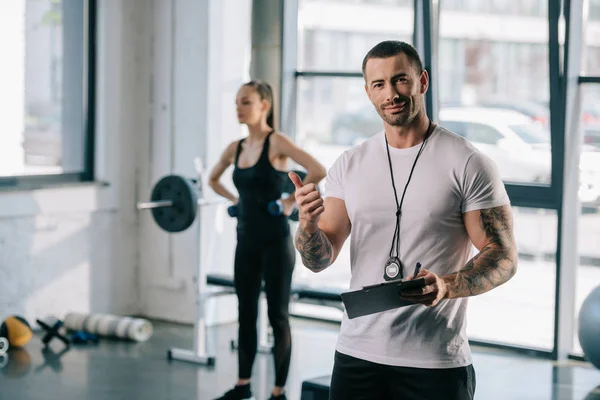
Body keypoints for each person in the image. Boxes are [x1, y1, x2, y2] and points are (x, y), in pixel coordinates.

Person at [288, 41, 519, 400]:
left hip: (435, 363)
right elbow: (319, 258)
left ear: (422, 81)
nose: (391, 93)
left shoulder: (467, 162)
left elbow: (503, 256)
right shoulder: (350, 164)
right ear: (368, 92)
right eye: (379, 84)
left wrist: (446, 286)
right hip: (357, 355)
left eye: (401, 80)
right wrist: (307, 226)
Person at [209, 80, 327, 400]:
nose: (238, 107)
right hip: (245, 241)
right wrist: (235, 200)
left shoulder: (277, 143)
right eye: (236, 102)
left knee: (278, 316)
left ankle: (277, 392)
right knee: (246, 312)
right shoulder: (235, 148)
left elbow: (317, 169)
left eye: (245, 102)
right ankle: (243, 386)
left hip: (276, 243)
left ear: (265, 105)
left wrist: (290, 202)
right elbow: (212, 178)